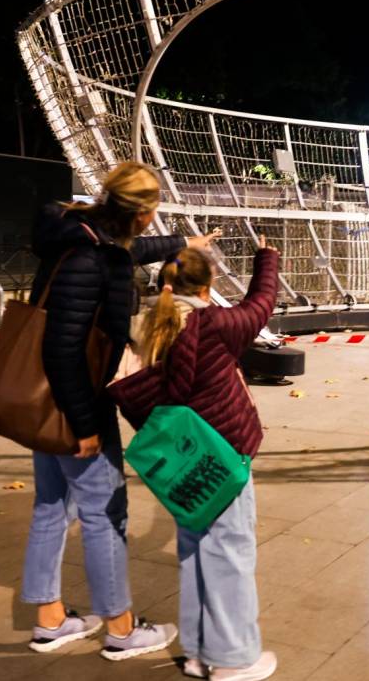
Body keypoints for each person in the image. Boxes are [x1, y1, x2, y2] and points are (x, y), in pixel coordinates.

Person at [21, 162, 220, 660]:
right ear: (144, 212)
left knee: (51, 506)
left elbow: (129, 246)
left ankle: (51, 621)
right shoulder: (91, 259)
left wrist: (182, 244)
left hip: (45, 400)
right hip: (75, 400)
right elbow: (63, 348)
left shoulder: (83, 234)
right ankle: (122, 628)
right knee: (105, 512)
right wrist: (85, 425)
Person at [122, 238, 280, 680]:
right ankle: (233, 658)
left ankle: (198, 652)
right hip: (222, 456)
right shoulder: (215, 324)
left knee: (194, 549)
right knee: (230, 550)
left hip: (180, 462)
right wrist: (266, 257)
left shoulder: (148, 326)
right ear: (208, 283)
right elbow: (262, 303)